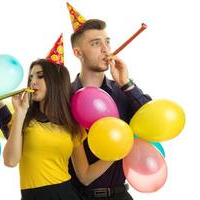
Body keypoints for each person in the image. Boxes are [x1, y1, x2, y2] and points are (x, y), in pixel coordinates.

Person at [0, 34, 114, 200]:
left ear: (55, 81)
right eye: (30, 77)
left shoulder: (72, 124)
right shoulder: (23, 119)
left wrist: (116, 154)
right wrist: (20, 113)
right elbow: (10, 161)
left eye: (40, 76)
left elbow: (85, 176)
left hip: (67, 194)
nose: (33, 82)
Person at [66, 3, 152, 200]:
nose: (106, 50)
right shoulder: (65, 96)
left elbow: (151, 121)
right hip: (78, 196)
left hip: (120, 195)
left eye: (107, 42)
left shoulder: (123, 91)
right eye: (96, 43)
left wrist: (127, 83)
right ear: (78, 53)